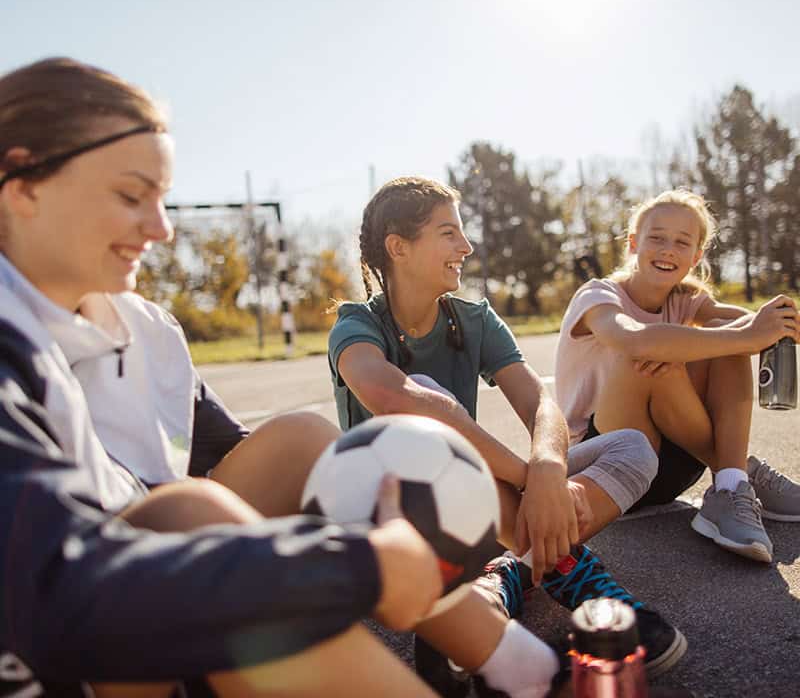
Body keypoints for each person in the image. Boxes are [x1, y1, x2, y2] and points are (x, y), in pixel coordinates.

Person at [0, 57, 460, 698]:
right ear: (21, 183)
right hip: (64, 649)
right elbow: (56, 590)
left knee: (286, 451)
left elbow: (233, 453)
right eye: (131, 196)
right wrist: (355, 565)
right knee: (190, 515)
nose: (161, 229)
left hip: (121, 617)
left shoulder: (131, 326)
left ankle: (494, 643)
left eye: (161, 200)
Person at [327, 176, 688, 691]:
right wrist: (535, 483)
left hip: (477, 508)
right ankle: (568, 568)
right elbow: (395, 398)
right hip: (389, 517)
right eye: (448, 232)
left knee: (631, 447)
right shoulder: (355, 324)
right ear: (398, 246)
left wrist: (547, 468)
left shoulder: (475, 319)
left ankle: (507, 576)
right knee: (426, 397)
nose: (466, 247)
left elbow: (540, 401)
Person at [554, 188, 800, 564]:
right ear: (634, 243)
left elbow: (749, 327)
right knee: (649, 358)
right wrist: (745, 334)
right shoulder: (598, 296)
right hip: (607, 463)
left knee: (720, 340)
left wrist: (781, 324)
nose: (668, 249)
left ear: (696, 255)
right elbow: (633, 340)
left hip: (677, 465)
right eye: (656, 238)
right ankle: (740, 468)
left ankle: (730, 487)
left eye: (682, 242)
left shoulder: (688, 299)